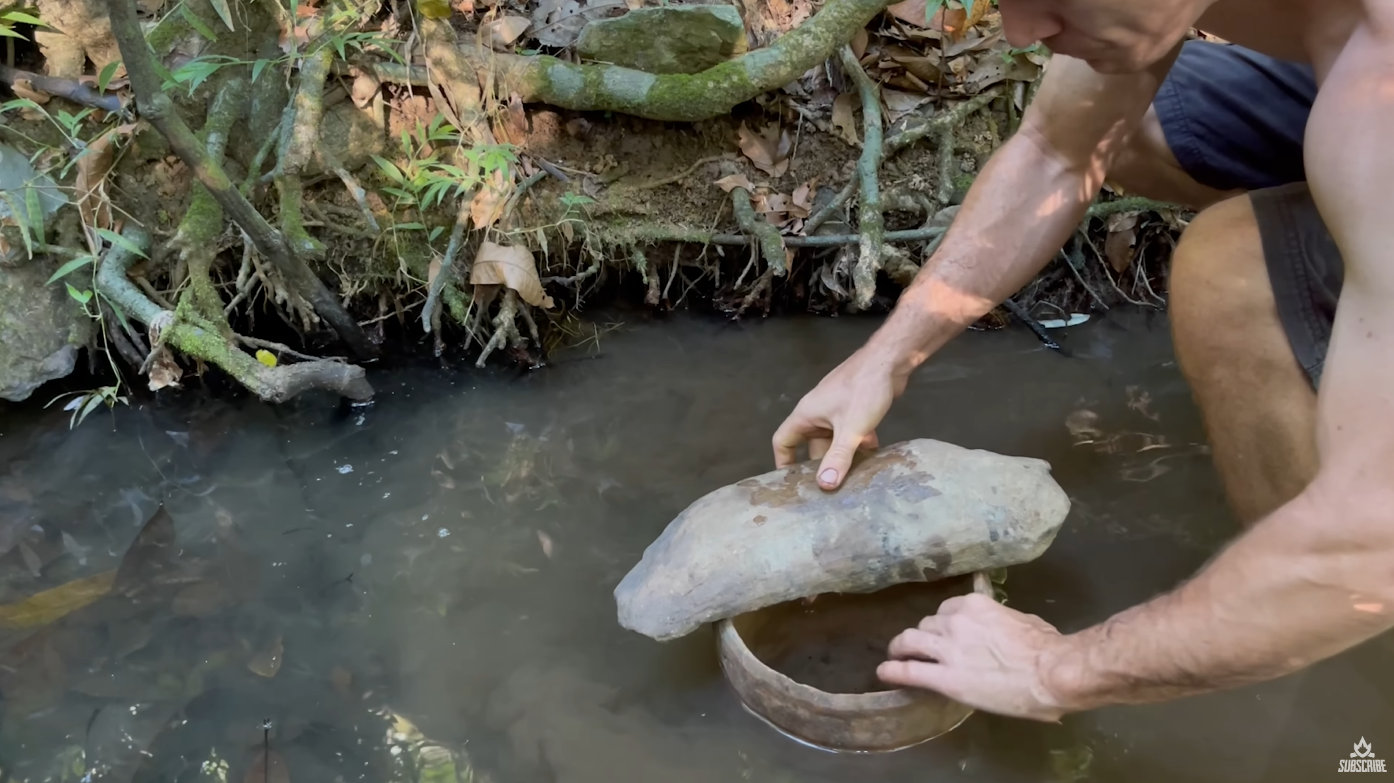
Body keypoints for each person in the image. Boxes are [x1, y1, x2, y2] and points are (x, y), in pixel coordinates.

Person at [770, 0, 1394, 721]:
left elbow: (1369, 547)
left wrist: (1054, 670)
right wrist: (885, 358)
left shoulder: (1376, 105)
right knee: (1138, 118)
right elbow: (1057, 151)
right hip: (1337, 91)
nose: (1021, 32)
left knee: (1230, 275)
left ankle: (1346, 666)